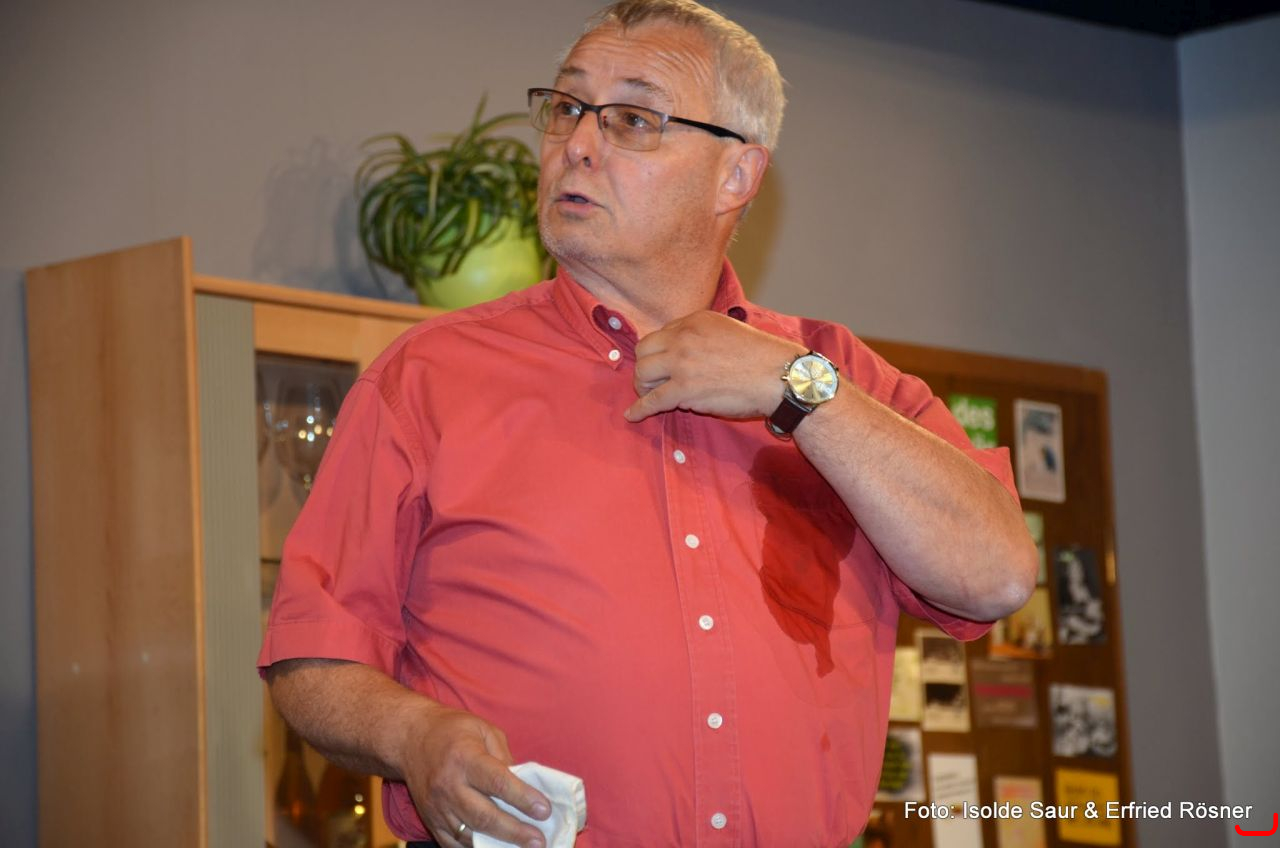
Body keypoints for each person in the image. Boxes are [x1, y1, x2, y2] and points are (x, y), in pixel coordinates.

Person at [258, 2, 1038, 846]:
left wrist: (797, 392)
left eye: (632, 119)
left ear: (737, 175)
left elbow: (996, 576)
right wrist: (413, 736)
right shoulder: (426, 380)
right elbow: (312, 656)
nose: (577, 145)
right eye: (567, 108)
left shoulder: (844, 379)